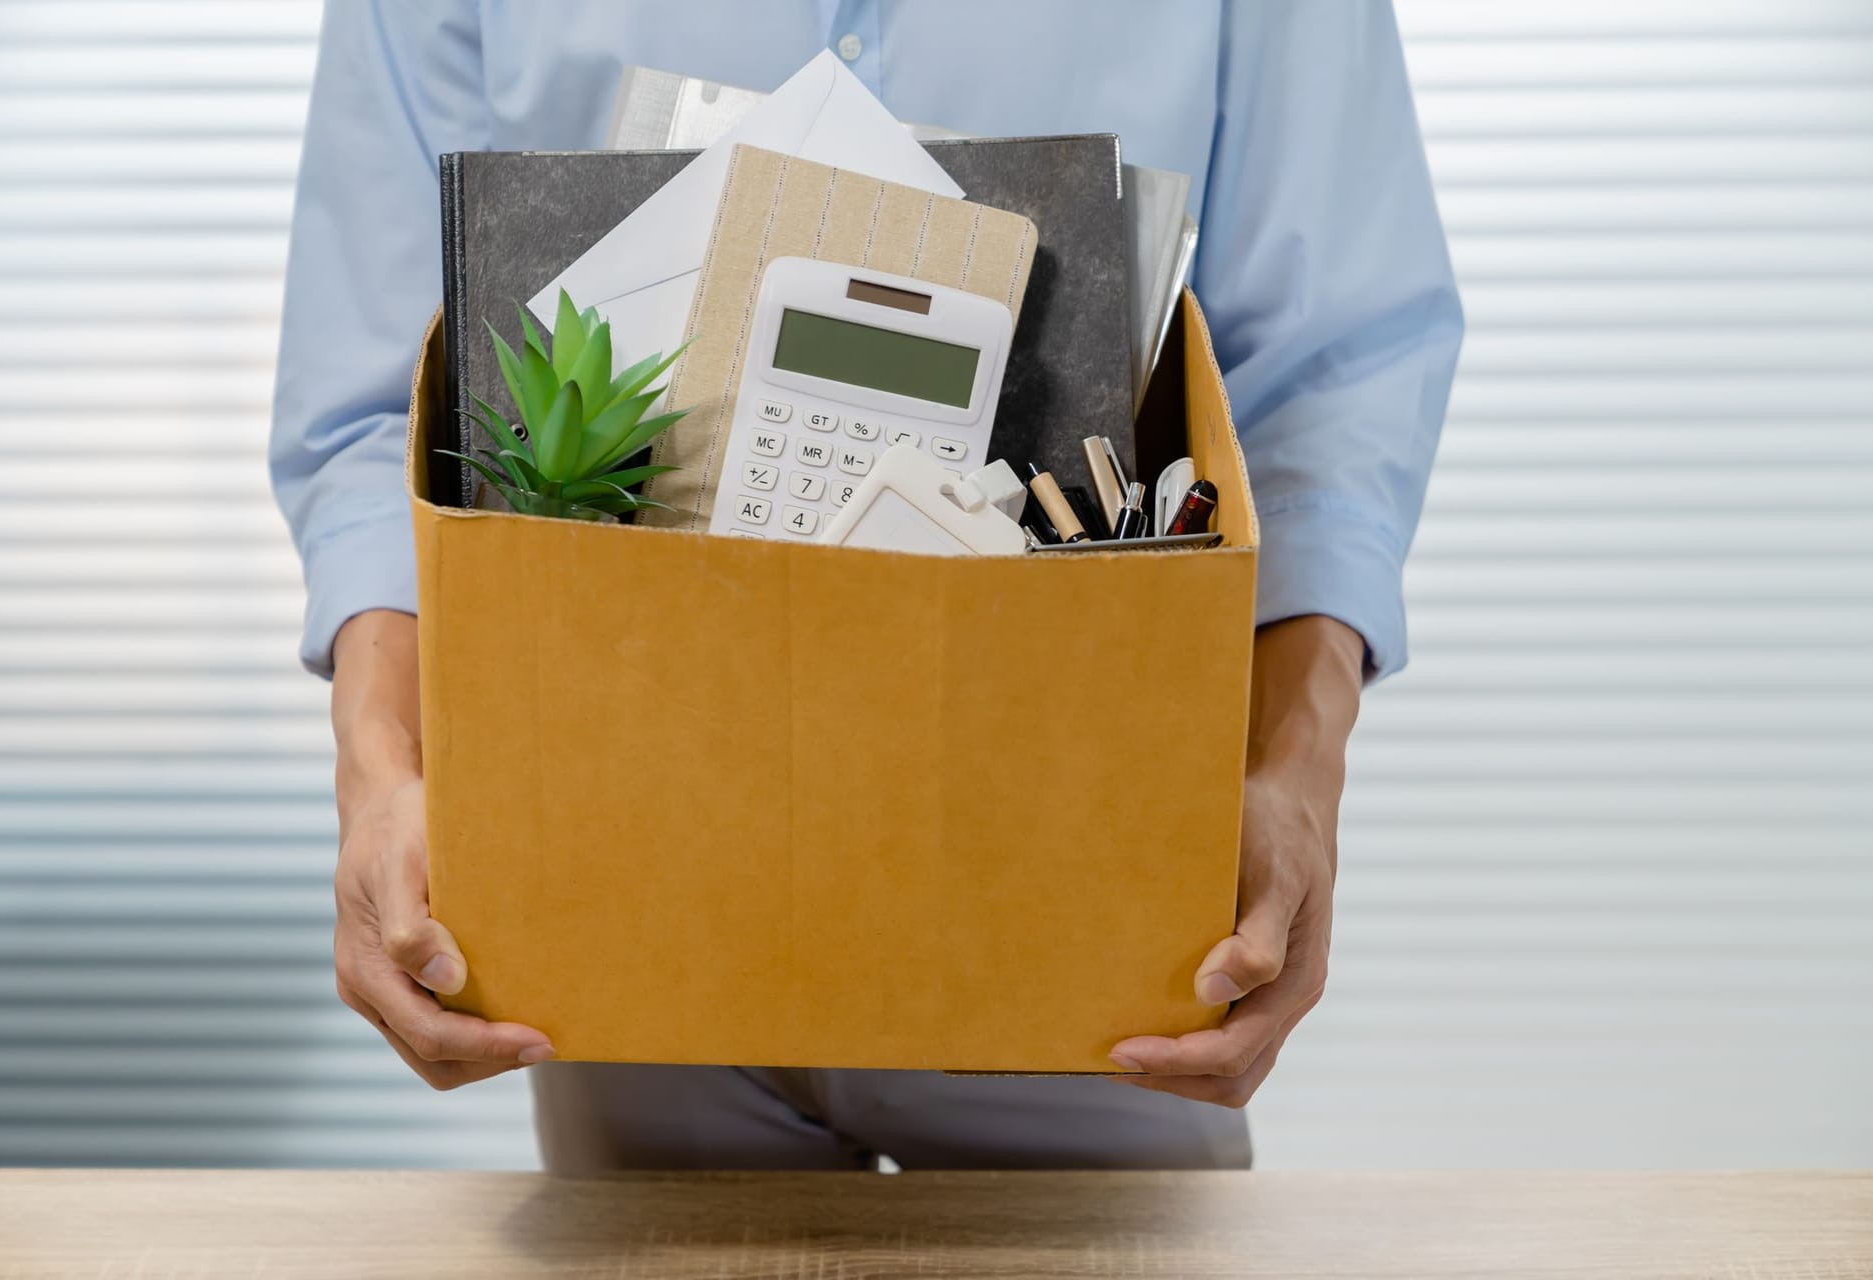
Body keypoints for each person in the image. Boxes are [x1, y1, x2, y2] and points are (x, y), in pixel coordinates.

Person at [272, 0, 1461, 1172]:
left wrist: (1292, 779)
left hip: (1083, 919)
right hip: (635, 911)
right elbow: (378, 395)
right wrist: (382, 771)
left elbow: (1332, 374)